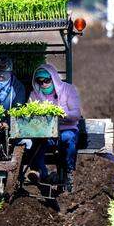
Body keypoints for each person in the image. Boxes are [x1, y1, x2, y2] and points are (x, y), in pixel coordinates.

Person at [25, 64, 83, 192]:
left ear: (54, 78)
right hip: (44, 132)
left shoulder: (68, 90)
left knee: (68, 139)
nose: (44, 84)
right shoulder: (34, 95)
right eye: (40, 82)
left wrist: (62, 114)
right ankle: (42, 174)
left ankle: (68, 171)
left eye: (46, 80)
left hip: (66, 128)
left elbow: (76, 114)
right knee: (36, 144)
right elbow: (29, 114)